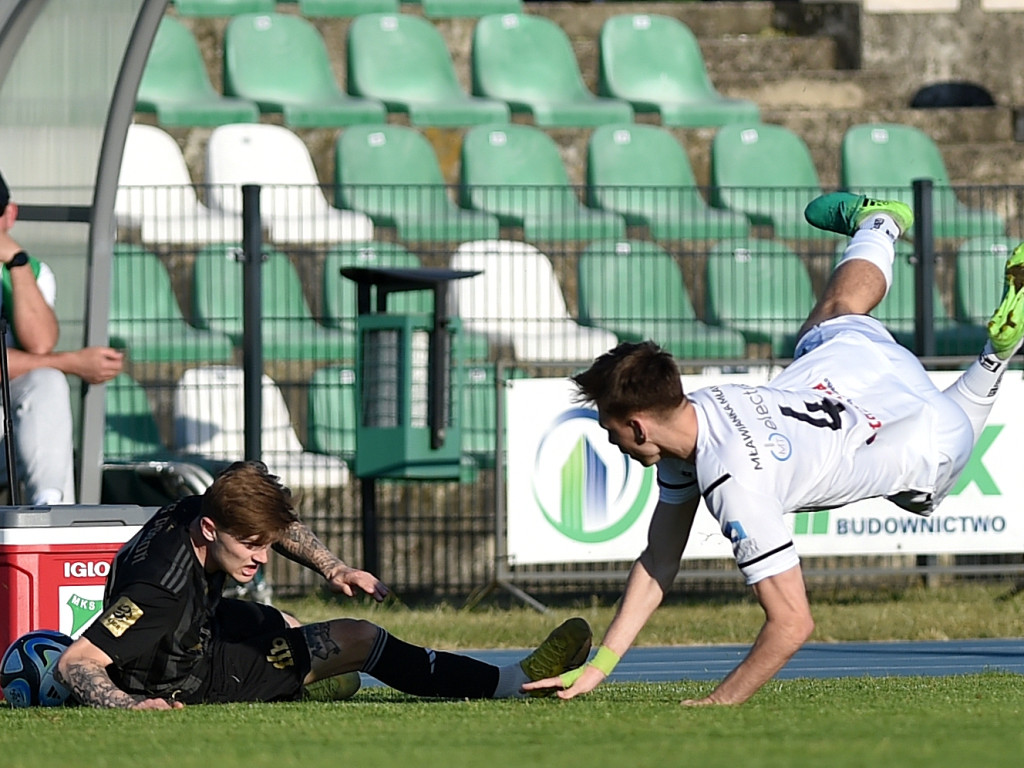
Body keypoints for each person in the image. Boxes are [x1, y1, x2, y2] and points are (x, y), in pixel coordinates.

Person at [524, 192, 1024, 705]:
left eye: (610, 430)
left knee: (922, 490)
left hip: (931, 433)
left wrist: (717, 704)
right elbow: (659, 560)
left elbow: (792, 623)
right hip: (858, 367)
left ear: (638, 426)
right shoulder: (692, 413)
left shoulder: (734, 481)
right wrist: (599, 668)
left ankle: (993, 359)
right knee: (832, 313)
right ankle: (879, 224)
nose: (611, 441)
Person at [56, 460, 591, 709]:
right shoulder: (159, 594)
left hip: (200, 627)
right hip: (191, 678)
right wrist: (132, 707)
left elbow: (275, 523)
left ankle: (309, 680)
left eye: (264, 544)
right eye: (251, 547)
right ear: (212, 529)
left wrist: (333, 568)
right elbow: (76, 662)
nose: (262, 558)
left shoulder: (202, 507)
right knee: (358, 637)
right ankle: (512, 680)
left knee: (285, 623)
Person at [0, 171, 124, 504]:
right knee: (55, 370)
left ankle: (51, 510)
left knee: (47, 381)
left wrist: (16, 261)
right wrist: (72, 362)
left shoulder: (29, 271)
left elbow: (40, 343)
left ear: (9, 215)